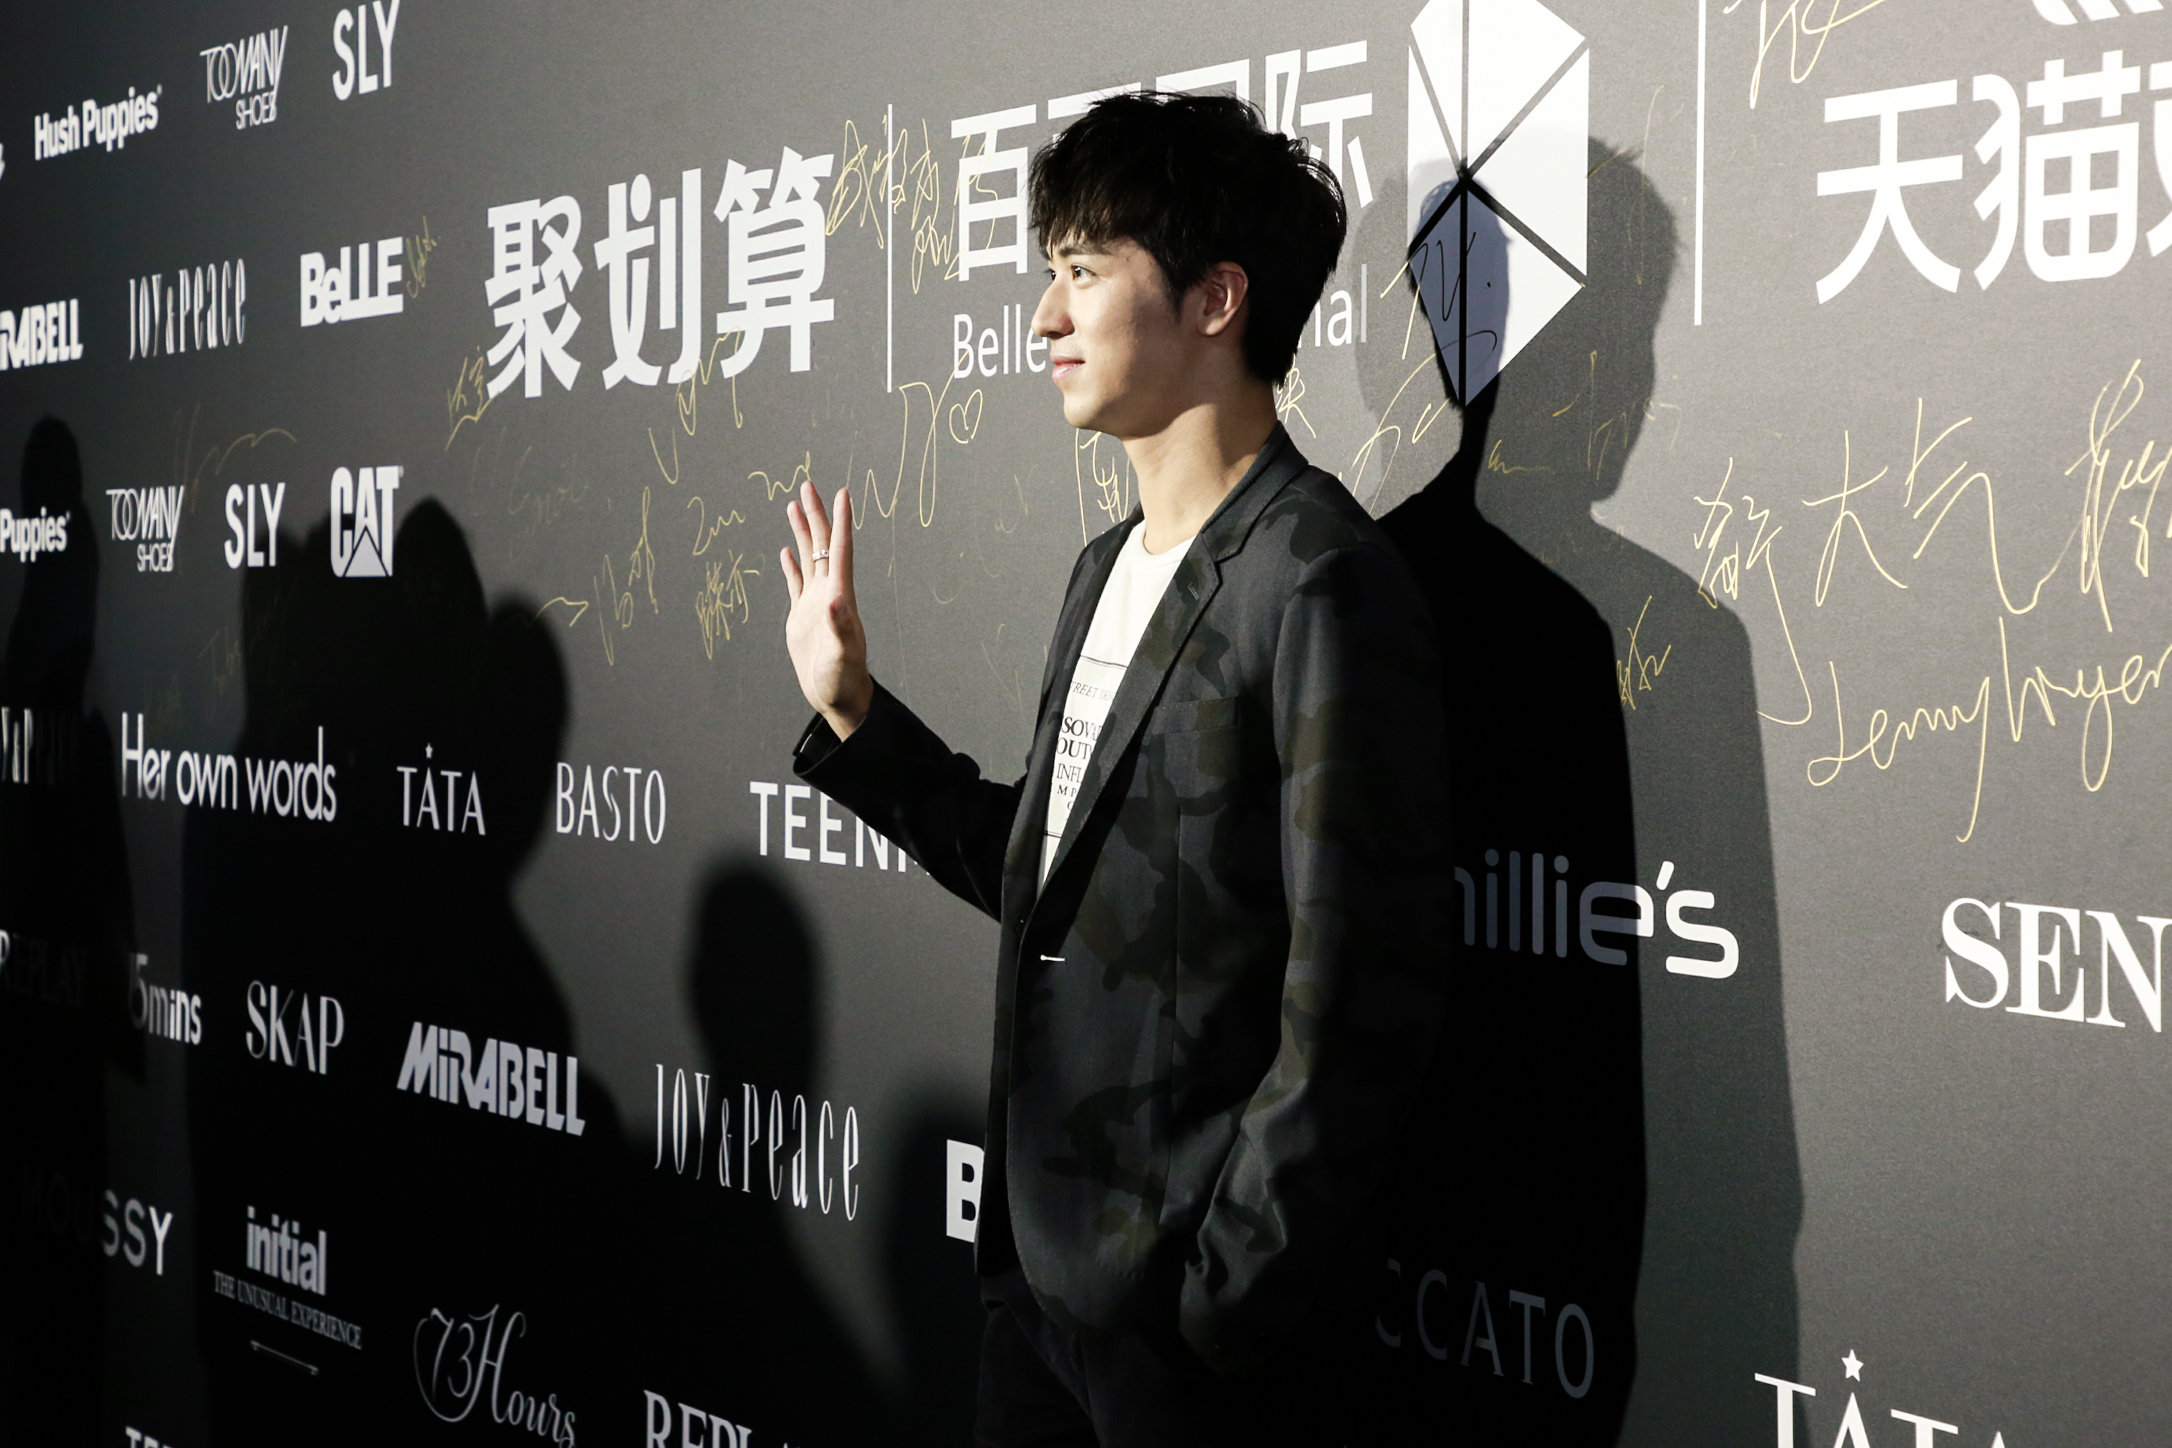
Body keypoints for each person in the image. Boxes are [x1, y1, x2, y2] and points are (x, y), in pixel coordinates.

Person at [777, 92, 1448, 1446]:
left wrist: (1220, 1302)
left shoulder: (1315, 580)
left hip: (1191, 1343)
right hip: (1037, 1297)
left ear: (1216, 299)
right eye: (1051, 272)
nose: (1045, 317)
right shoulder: (1103, 572)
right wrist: (855, 715)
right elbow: (1059, 883)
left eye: (1083, 271)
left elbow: (1357, 1000)